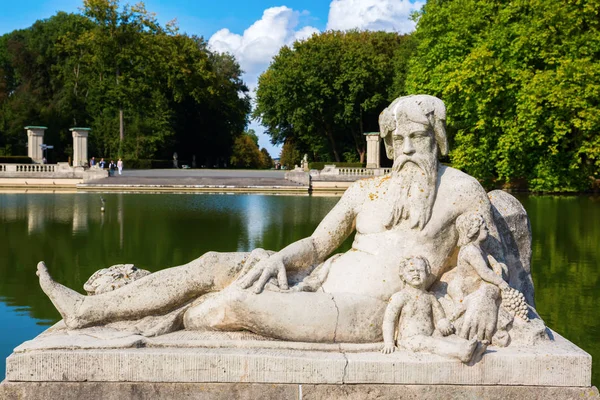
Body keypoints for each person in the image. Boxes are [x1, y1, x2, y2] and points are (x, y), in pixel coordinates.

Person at [36, 95, 511, 343]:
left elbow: (495, 268)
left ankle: (157, 321)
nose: (408, 150)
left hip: (367, 312)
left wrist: (488, 297)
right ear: (387, 145)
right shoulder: (366, 189)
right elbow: (318, 243)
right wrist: (279, 260)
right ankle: (87, 311)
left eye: (420, 138)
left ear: (438, 138)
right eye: (399, 140)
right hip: (318, 279)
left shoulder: (461, 191)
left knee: (235, 306)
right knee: (212, 264)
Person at [380, 256, 487, 363]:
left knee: (449, 337)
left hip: (431, 334)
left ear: (427, 274)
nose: (416, 273)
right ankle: (461, 353)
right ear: (403, 276)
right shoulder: (400, 297)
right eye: (411, 271)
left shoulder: (430, 298)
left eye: (420, 270)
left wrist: (443, 323)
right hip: (410, 340)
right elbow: (389, 321)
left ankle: (471, 347)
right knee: (431, 343)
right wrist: (389, 343)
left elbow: (439, 317)